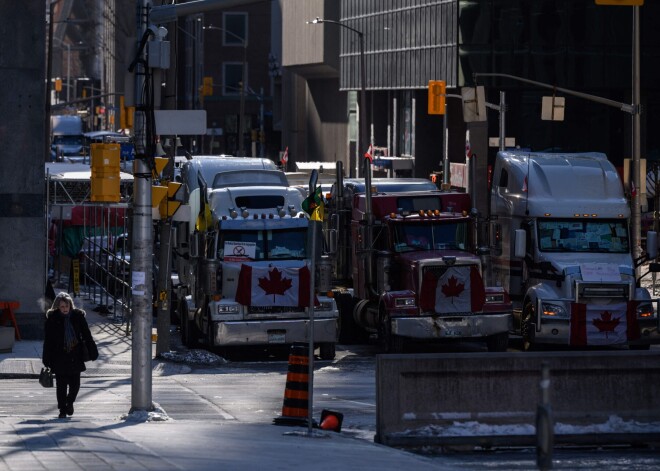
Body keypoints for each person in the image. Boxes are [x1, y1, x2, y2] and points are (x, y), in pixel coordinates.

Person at [42, 292, 93, 419]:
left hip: (75, 355)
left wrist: (93, 350)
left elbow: (87, 335)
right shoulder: (52, 319)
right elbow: (48, 340)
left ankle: (69, 402)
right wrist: (46, 358)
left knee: (75, 385)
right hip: (58, 356)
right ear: (57, 307)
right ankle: (62, 410)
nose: (65, 309)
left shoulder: (78, 317)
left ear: (70, 306)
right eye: (62, 307)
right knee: (61, 385)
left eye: (67, 306)